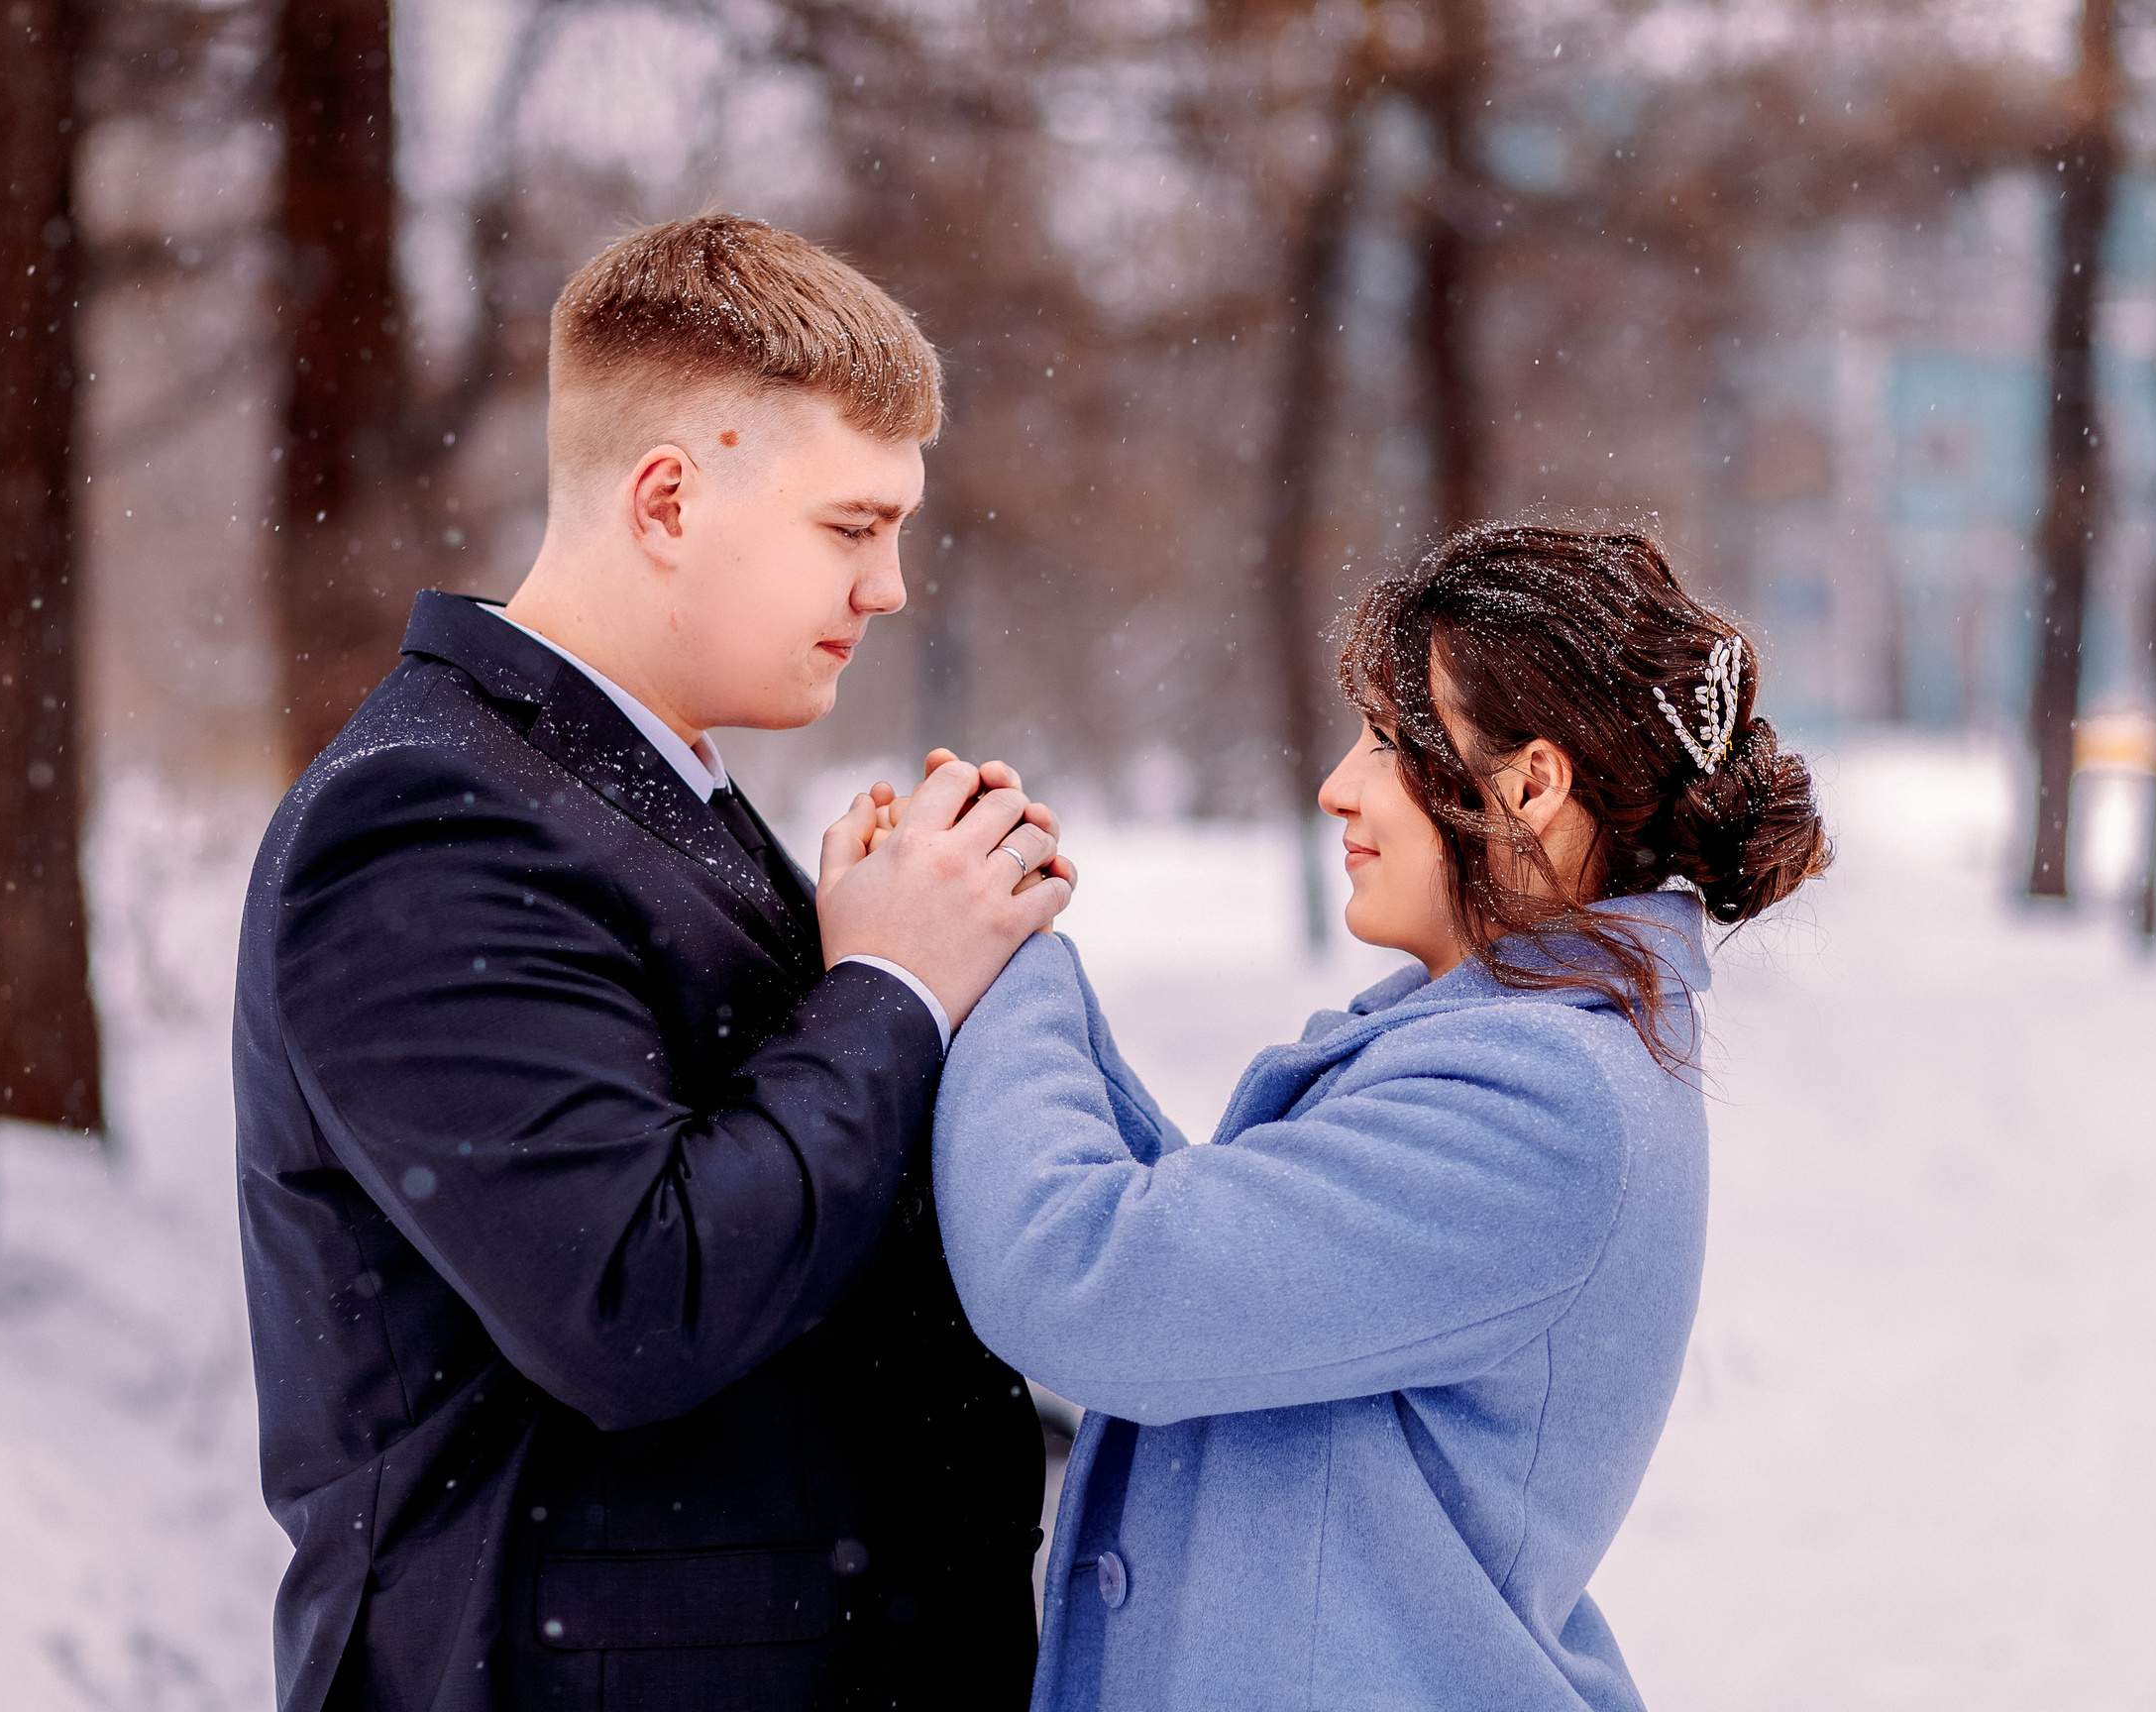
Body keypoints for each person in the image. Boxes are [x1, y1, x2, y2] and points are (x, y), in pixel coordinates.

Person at [233, 216, 1072, 1711]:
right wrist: (890, 991)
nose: (890, 586)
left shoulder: (639, 786)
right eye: (850, 527)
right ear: (670, 500)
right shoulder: (425, 817)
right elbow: (635, 1302)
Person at [928, 525, 1832, 1711]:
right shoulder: (1515, 1051)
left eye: (1390, 743)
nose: (1337, 787)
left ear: (1532, 785)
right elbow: (1205, 1263)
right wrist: (1023, 956)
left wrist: (989, 953)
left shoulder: (1540, 1102)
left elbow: (1086, 1276)